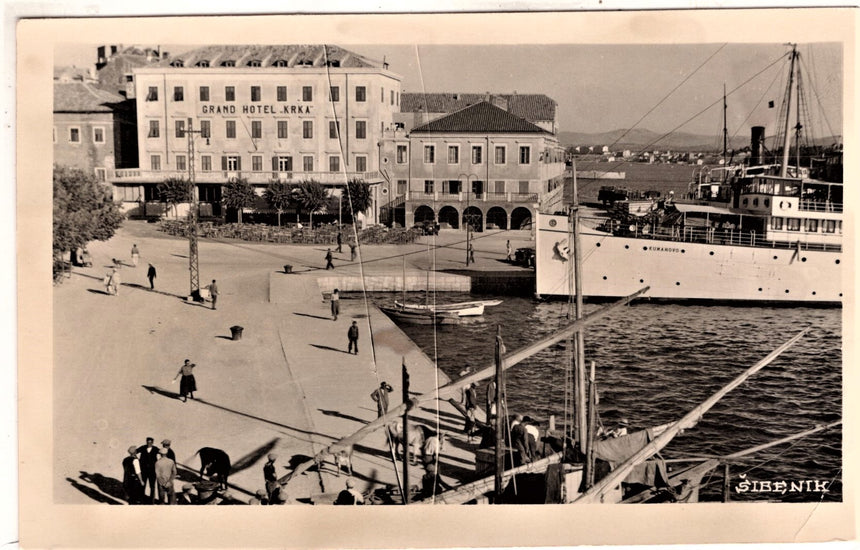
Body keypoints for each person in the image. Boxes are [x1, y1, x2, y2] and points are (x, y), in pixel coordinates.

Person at [136, 437, 160, 503]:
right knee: (142, 485)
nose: (149, 444)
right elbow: (135, 451)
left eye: (150, 442)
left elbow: (162, 453)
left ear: (152, 443)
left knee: (152, 486)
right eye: (148, 442)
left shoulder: (155, 449)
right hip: (144, 470)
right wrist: (137, 460)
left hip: (152, 471)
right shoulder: (143, 447)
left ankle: (152, 501)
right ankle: (141, 499)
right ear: (146, 442)